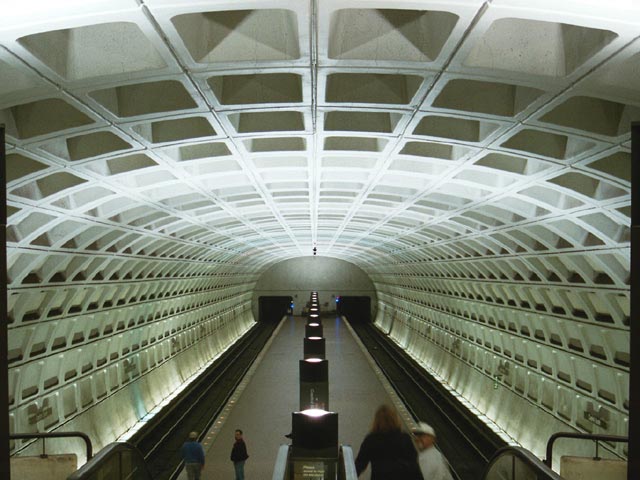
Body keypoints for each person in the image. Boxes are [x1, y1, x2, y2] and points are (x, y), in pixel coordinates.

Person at [355, 404, 423, 480]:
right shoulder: (404, 438)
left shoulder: (371, 440)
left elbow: (359, 465)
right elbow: (414, 465)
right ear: (395, 419)